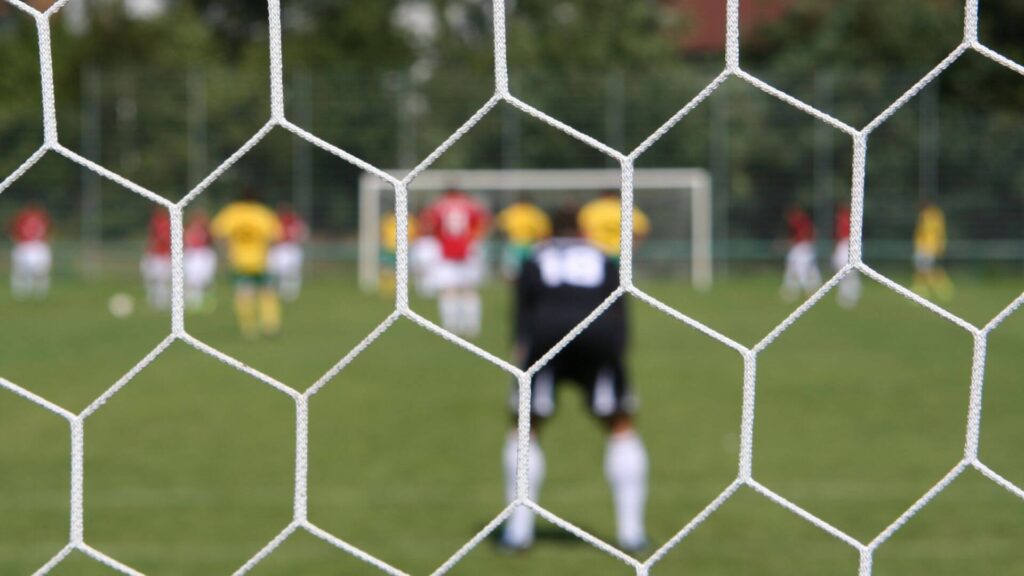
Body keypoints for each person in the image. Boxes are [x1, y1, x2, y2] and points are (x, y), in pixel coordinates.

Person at [502, 206, 648, 553]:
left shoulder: (535, 256)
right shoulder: (602, 256)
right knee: (620, 423)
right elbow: (619, 300)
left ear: (547, 232)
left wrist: (520, 344)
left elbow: (523, 306)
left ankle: (517, 534)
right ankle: (632, 534)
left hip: (546, 336)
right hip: (597, 333)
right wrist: (619, 346)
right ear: (582, 231)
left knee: (525, 426)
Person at [211, 187, 284, 339]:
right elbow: (276, 236)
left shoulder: (232, 211)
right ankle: (270, 326)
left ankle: (248, 328)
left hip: (239, 261)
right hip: (261, 261)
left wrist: (226, 250)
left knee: (243, 294)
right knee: (267, 293)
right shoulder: (263, 213)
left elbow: (217, 232)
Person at [418, 188, 490, 337]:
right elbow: (483, 222)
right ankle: (472, 326)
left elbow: (429, 224)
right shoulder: (471, 205)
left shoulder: (438, 206)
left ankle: (450, 326)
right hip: (468, 250)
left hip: (447, 251)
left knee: (448, 290)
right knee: (470, 290)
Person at [577, 190, 650, 258]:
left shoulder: (591, 209)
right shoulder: (629, 209)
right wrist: (632, 247)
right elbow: (641, 232)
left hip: (597, 251)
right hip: (618, 251)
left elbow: (583, 232)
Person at [495, 195, 551, 279]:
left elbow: (543, 230)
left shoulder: (533, 213)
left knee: (527, 268)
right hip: (516, 243)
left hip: (529, 244)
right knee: (514, 270)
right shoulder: (514, 212)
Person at [912, 200, 954, 301]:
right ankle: (923, 289)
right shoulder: (932, 215)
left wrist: (939, 246)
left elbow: (938, 233)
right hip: (924, 247)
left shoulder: (932, 216)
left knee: (927, 269)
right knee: (922, 269)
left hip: (928, 247)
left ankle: (941, 287)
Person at [9, 202, 52, 300]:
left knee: (36, 271)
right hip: (28, 245)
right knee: (24, 271)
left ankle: (33, 293)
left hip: (34, 245)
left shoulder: (26, 217)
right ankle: (25, 293)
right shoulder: (25, 217)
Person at [780, 204, 821, 301]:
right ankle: (791, 289)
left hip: (803, 246)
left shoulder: (799, 220)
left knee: (802, 270)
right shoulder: (799, 220)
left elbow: (808, 233)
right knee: (793, 268)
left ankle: (809, 290)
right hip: (800, 246)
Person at [268, 203, 308, 302]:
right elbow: (304, 234)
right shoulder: (292, 220)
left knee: (288, 272)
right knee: (280, 271)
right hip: (286, 247)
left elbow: (303, 234)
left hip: (286, 247)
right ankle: (283, 291)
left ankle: (287, 292)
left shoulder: (285, 220)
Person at [183, 208, 217, 312]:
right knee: (192, 279)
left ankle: (207, 300)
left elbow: (211, 241)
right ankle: (192, 302)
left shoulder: (206, 229)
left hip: (203, 253)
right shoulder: (187, 228)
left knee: (206, 279)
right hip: (192, 254)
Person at [379, 211, 418, 296]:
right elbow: (383, 233)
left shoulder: (410, 220)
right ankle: (387, 288)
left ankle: (402, 289)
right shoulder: (388, 219)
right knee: (388, 269)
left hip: (404, 249)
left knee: (403, 270)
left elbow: (413, 234)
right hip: (390, 248)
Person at [141, 208, 172, 310]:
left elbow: (164, 239)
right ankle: (154, 300)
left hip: (163, 256)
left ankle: (162, 302)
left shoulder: (166, 222)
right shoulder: (155, 221)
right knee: (152, 279)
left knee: (162, 280)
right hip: (155, 255)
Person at [832, 203, 861, 308]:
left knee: (850, 272)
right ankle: (844, 294)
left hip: (849, 244)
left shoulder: (848, 217)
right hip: (843, 244)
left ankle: (853, 294)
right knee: (841, 271)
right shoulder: (841, 217)